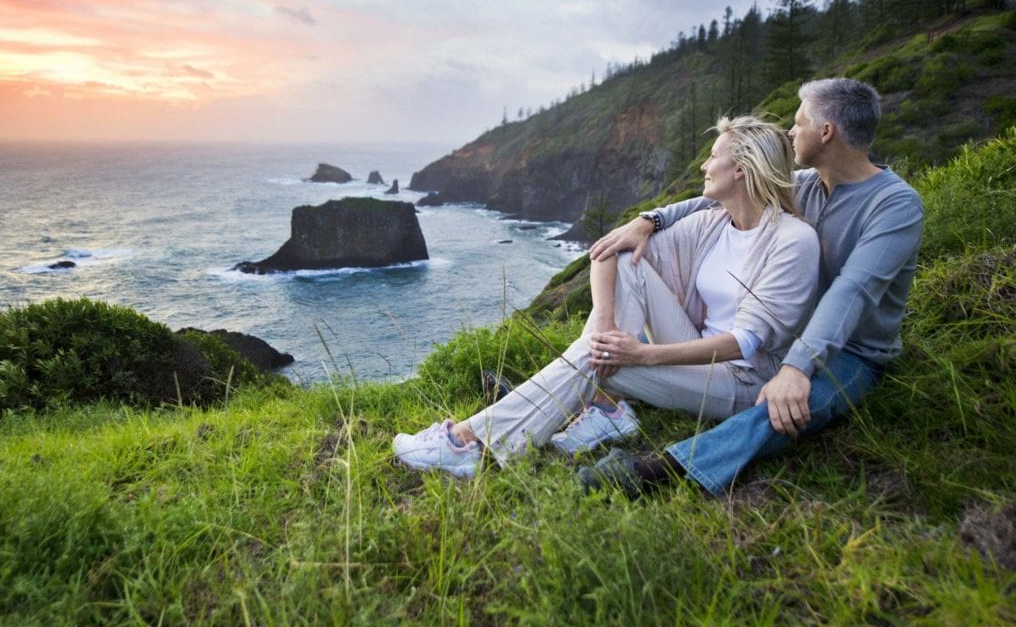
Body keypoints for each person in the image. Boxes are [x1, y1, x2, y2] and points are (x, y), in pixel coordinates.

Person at [393, 115, 820, 477]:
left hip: (742, 380)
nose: (706, 164)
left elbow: (745, 342)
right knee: (623, 286)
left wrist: (640, 355)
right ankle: (605, 409)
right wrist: (601, 322)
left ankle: (469, 442)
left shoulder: (792, 240)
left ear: (742, 169)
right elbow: (608, 249)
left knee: (602, 361)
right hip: (691, 348)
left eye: (715, 156)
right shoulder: (713, 223)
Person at [580, 77, 924, 496]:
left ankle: (664, 468)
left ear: (826, 132)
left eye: (799, 123)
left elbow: (852, 291)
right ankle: (571, 402)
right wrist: (650, 220)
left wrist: (797, 369)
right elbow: (721, 195)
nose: (791, 132)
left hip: (853, 351)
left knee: (787, 407)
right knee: (609, 349)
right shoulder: (805, 184)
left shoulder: (895, 205)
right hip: (789, 336)